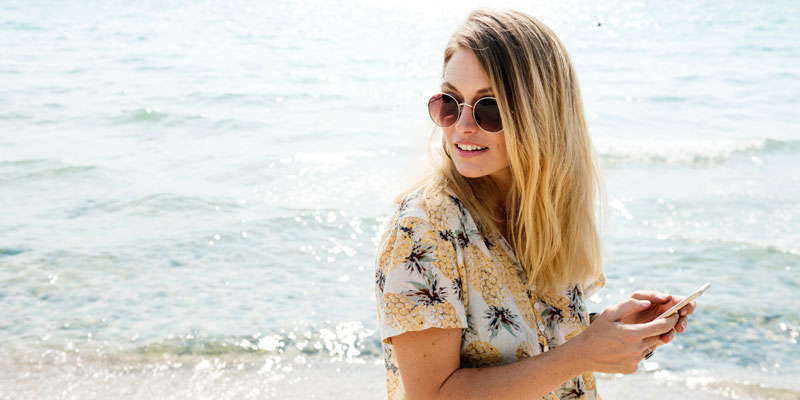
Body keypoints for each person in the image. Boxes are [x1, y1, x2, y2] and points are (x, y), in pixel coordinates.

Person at [373, 8, 696, 400]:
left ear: (540, 114)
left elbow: (528, 342)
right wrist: (582, 353)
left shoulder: (543, 213)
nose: (462, 125)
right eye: (450, 102)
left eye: (489, 107)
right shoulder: (424, 226)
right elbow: (431, 394)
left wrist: (614, 335)